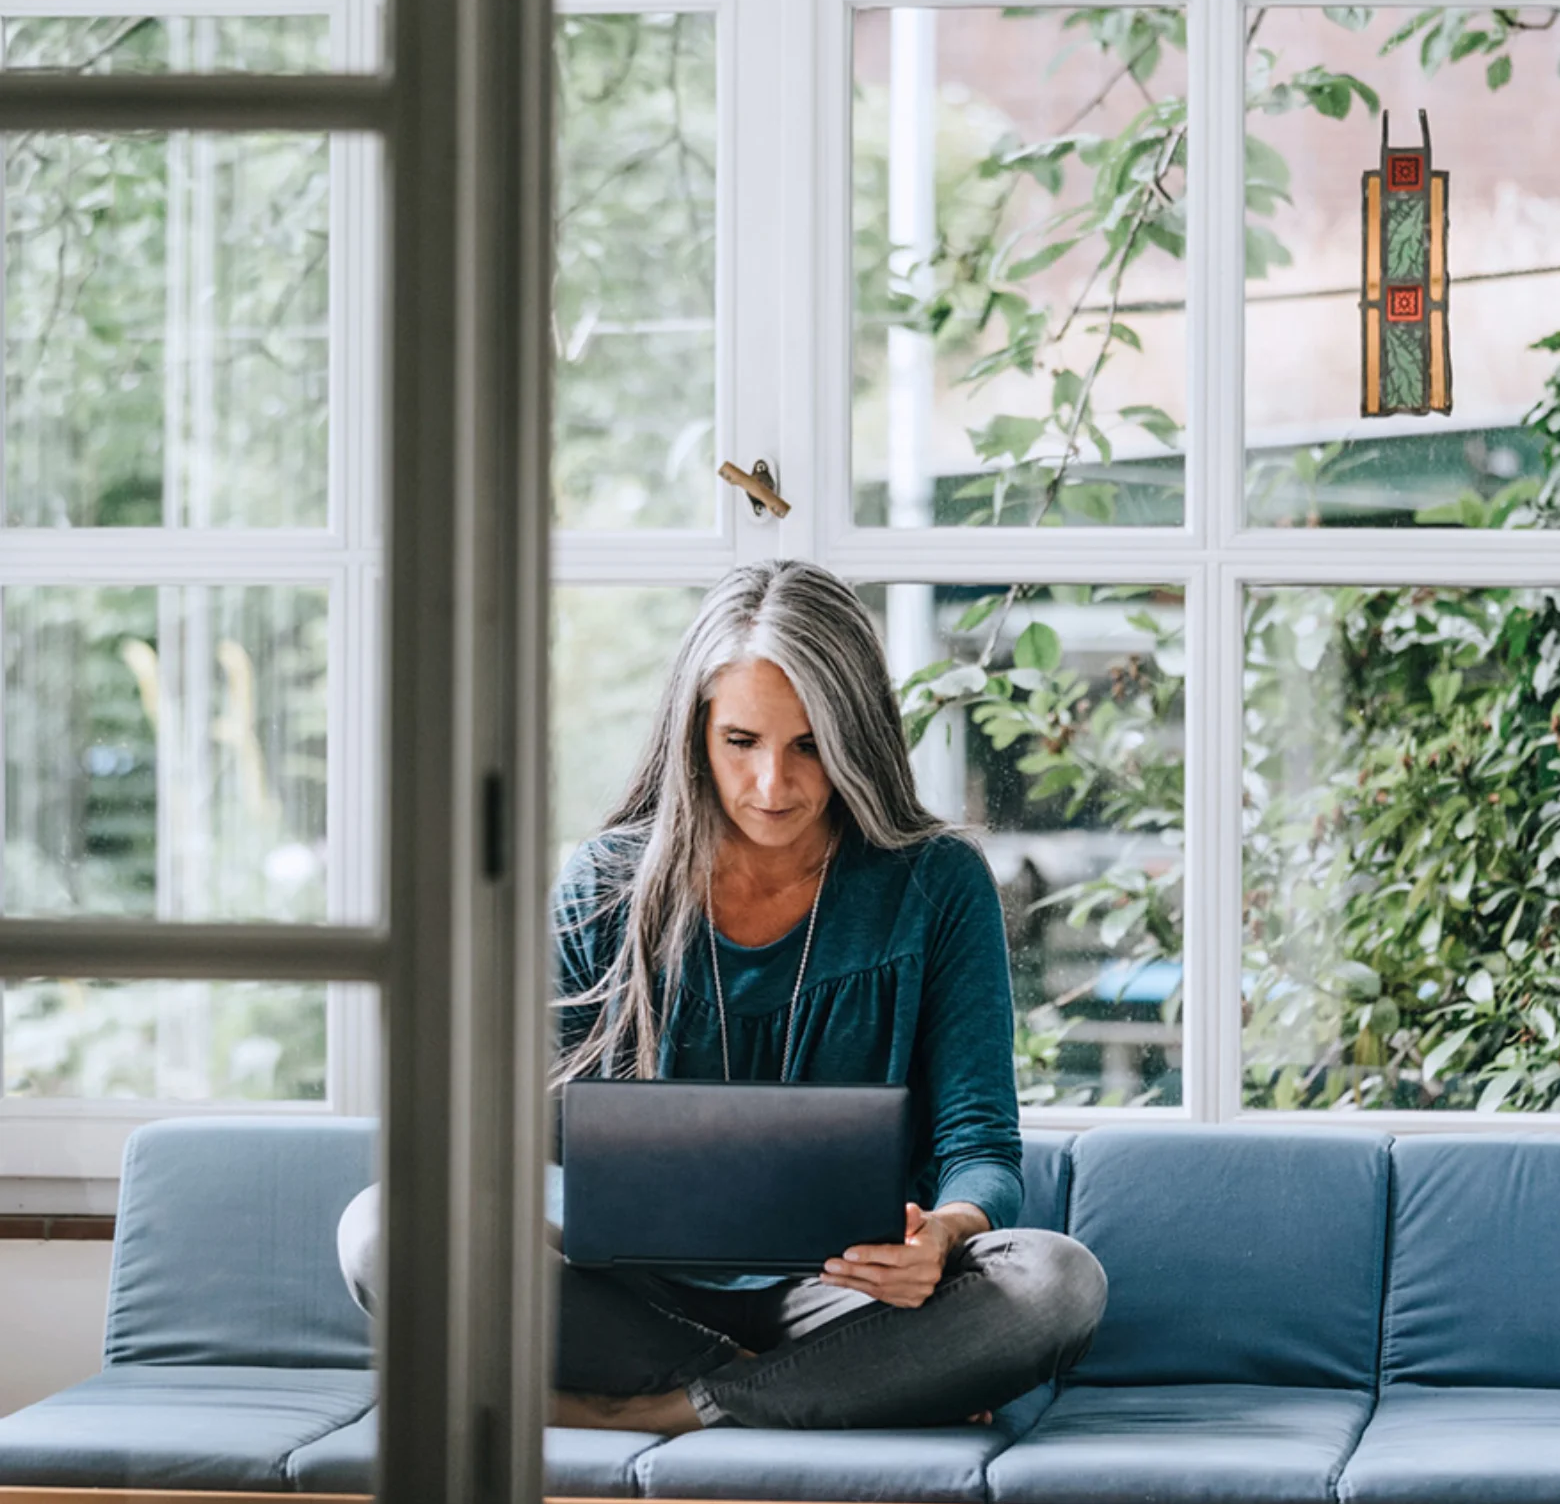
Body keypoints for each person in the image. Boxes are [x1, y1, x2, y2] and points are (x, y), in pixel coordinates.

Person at [340, 560, 1106, 1432]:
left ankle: (674, 1407)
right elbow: (524, 1143)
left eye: (809, 744)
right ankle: (815, 1388)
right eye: (741, 742)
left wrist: (947, 1233)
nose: (773, 786)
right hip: (631, 1302)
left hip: (845, 1299)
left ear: (857, 736)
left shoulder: (937, 884)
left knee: (1057, 1283)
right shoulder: (603, 883)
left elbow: (982, 1146)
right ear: (695, 732)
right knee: (384, 1227)